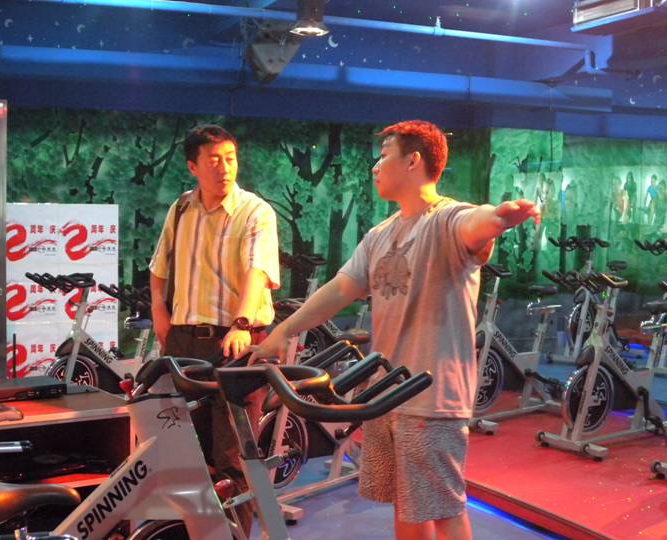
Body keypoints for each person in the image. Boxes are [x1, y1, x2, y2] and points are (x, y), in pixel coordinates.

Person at [248, 120, 540, 540]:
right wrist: (285, 331)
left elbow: (476, 222)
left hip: (431, 398)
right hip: (386, 394)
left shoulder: (446, 220)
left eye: (384, 156)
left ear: (413, 161)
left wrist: (499, 217)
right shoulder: (380, 235)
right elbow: (340, 289)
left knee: (443, 508)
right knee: (407, 504)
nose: (375, 166)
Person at [148, 124, 280, 536]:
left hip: (234, 341)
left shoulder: (255, 211)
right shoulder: (181, 209)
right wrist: (158, 311)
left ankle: (233, 533)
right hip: (183, 341)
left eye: (230, 158)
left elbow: (258, 272)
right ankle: (197, 531)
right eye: (213, 160)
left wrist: (241, 324)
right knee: (186, 450)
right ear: (193, 166)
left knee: (233, 454)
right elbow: (159, 267)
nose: (224, 168)